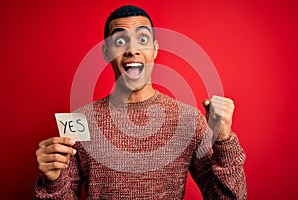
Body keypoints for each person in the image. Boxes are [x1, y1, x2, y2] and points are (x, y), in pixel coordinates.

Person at [35, 5, 246, 199]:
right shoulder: (79, 122)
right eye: (119, 41)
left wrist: (224, 139)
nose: (132, 49)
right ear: (107, 52)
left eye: (142, 40)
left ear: (154, 50)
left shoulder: (188, 120)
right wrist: (52, 182)